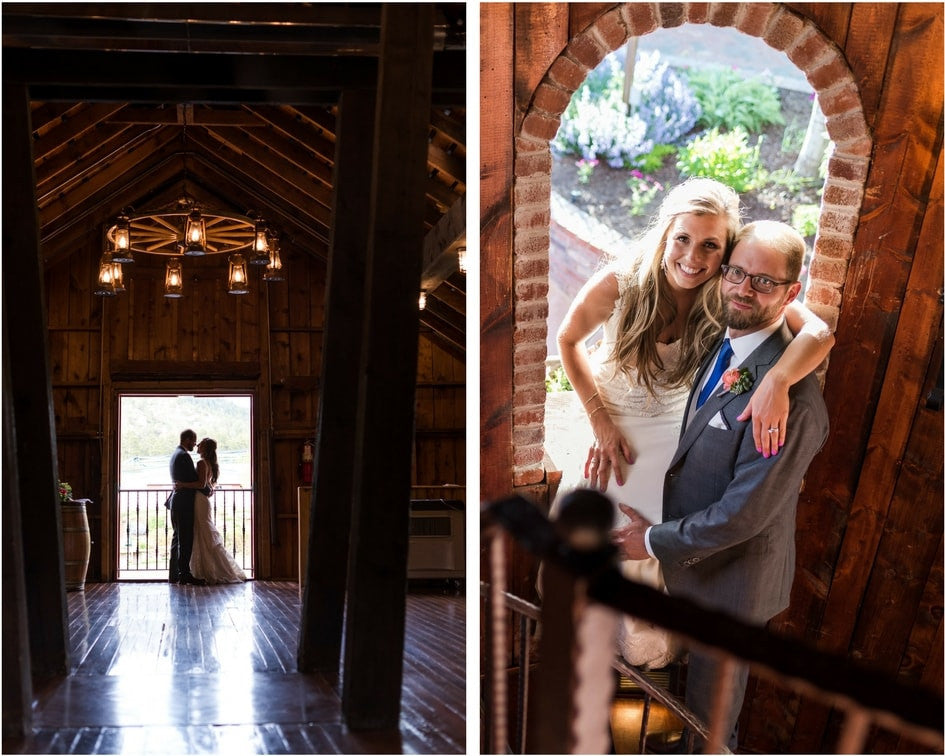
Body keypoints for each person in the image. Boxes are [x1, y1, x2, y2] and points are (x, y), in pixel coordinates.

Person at [555, 178, 834, 668]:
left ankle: (641, 647)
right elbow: (567, 339)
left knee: (660, 508)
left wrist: (778, 381)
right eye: (683, 238)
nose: (693, 256)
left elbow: (818, 331)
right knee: (606, 507)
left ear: (727, 255)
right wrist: (599, 421)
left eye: (711, 246)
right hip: (613, 424)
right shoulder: (622, 282)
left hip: (673, 431)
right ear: (665, 233)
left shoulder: (728, 291)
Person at [613, 220, 830, 752]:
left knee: (710, 727)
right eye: (737, 272)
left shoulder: (792, 406)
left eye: (764, 282)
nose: (743, 289)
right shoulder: (724, 341)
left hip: (734, 589)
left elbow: (744, 515)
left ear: (790, 292)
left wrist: (651, 540)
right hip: (694, 570)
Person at [175, 437, 247, 584]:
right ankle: (205, 568)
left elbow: (201, 484)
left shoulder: (201, 463)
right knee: (203, 531)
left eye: (200, 444)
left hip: (199, 500)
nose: (197, 446)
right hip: (203, 500)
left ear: (205, 448)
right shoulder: (209, 463)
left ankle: (212, 570)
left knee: (203, 531)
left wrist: (183, 485)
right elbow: (207, 484)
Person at [168, 429, 201, 585]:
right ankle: (184, 574)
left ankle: (174, 574)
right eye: (194, 441)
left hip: (176, 502)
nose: (195, 444)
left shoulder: (175, 454)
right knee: (185, 539)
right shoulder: (184, 456)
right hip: (183, 503)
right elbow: (194, 480)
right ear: (187, 439)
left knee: (177, 538)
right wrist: (207, 489)